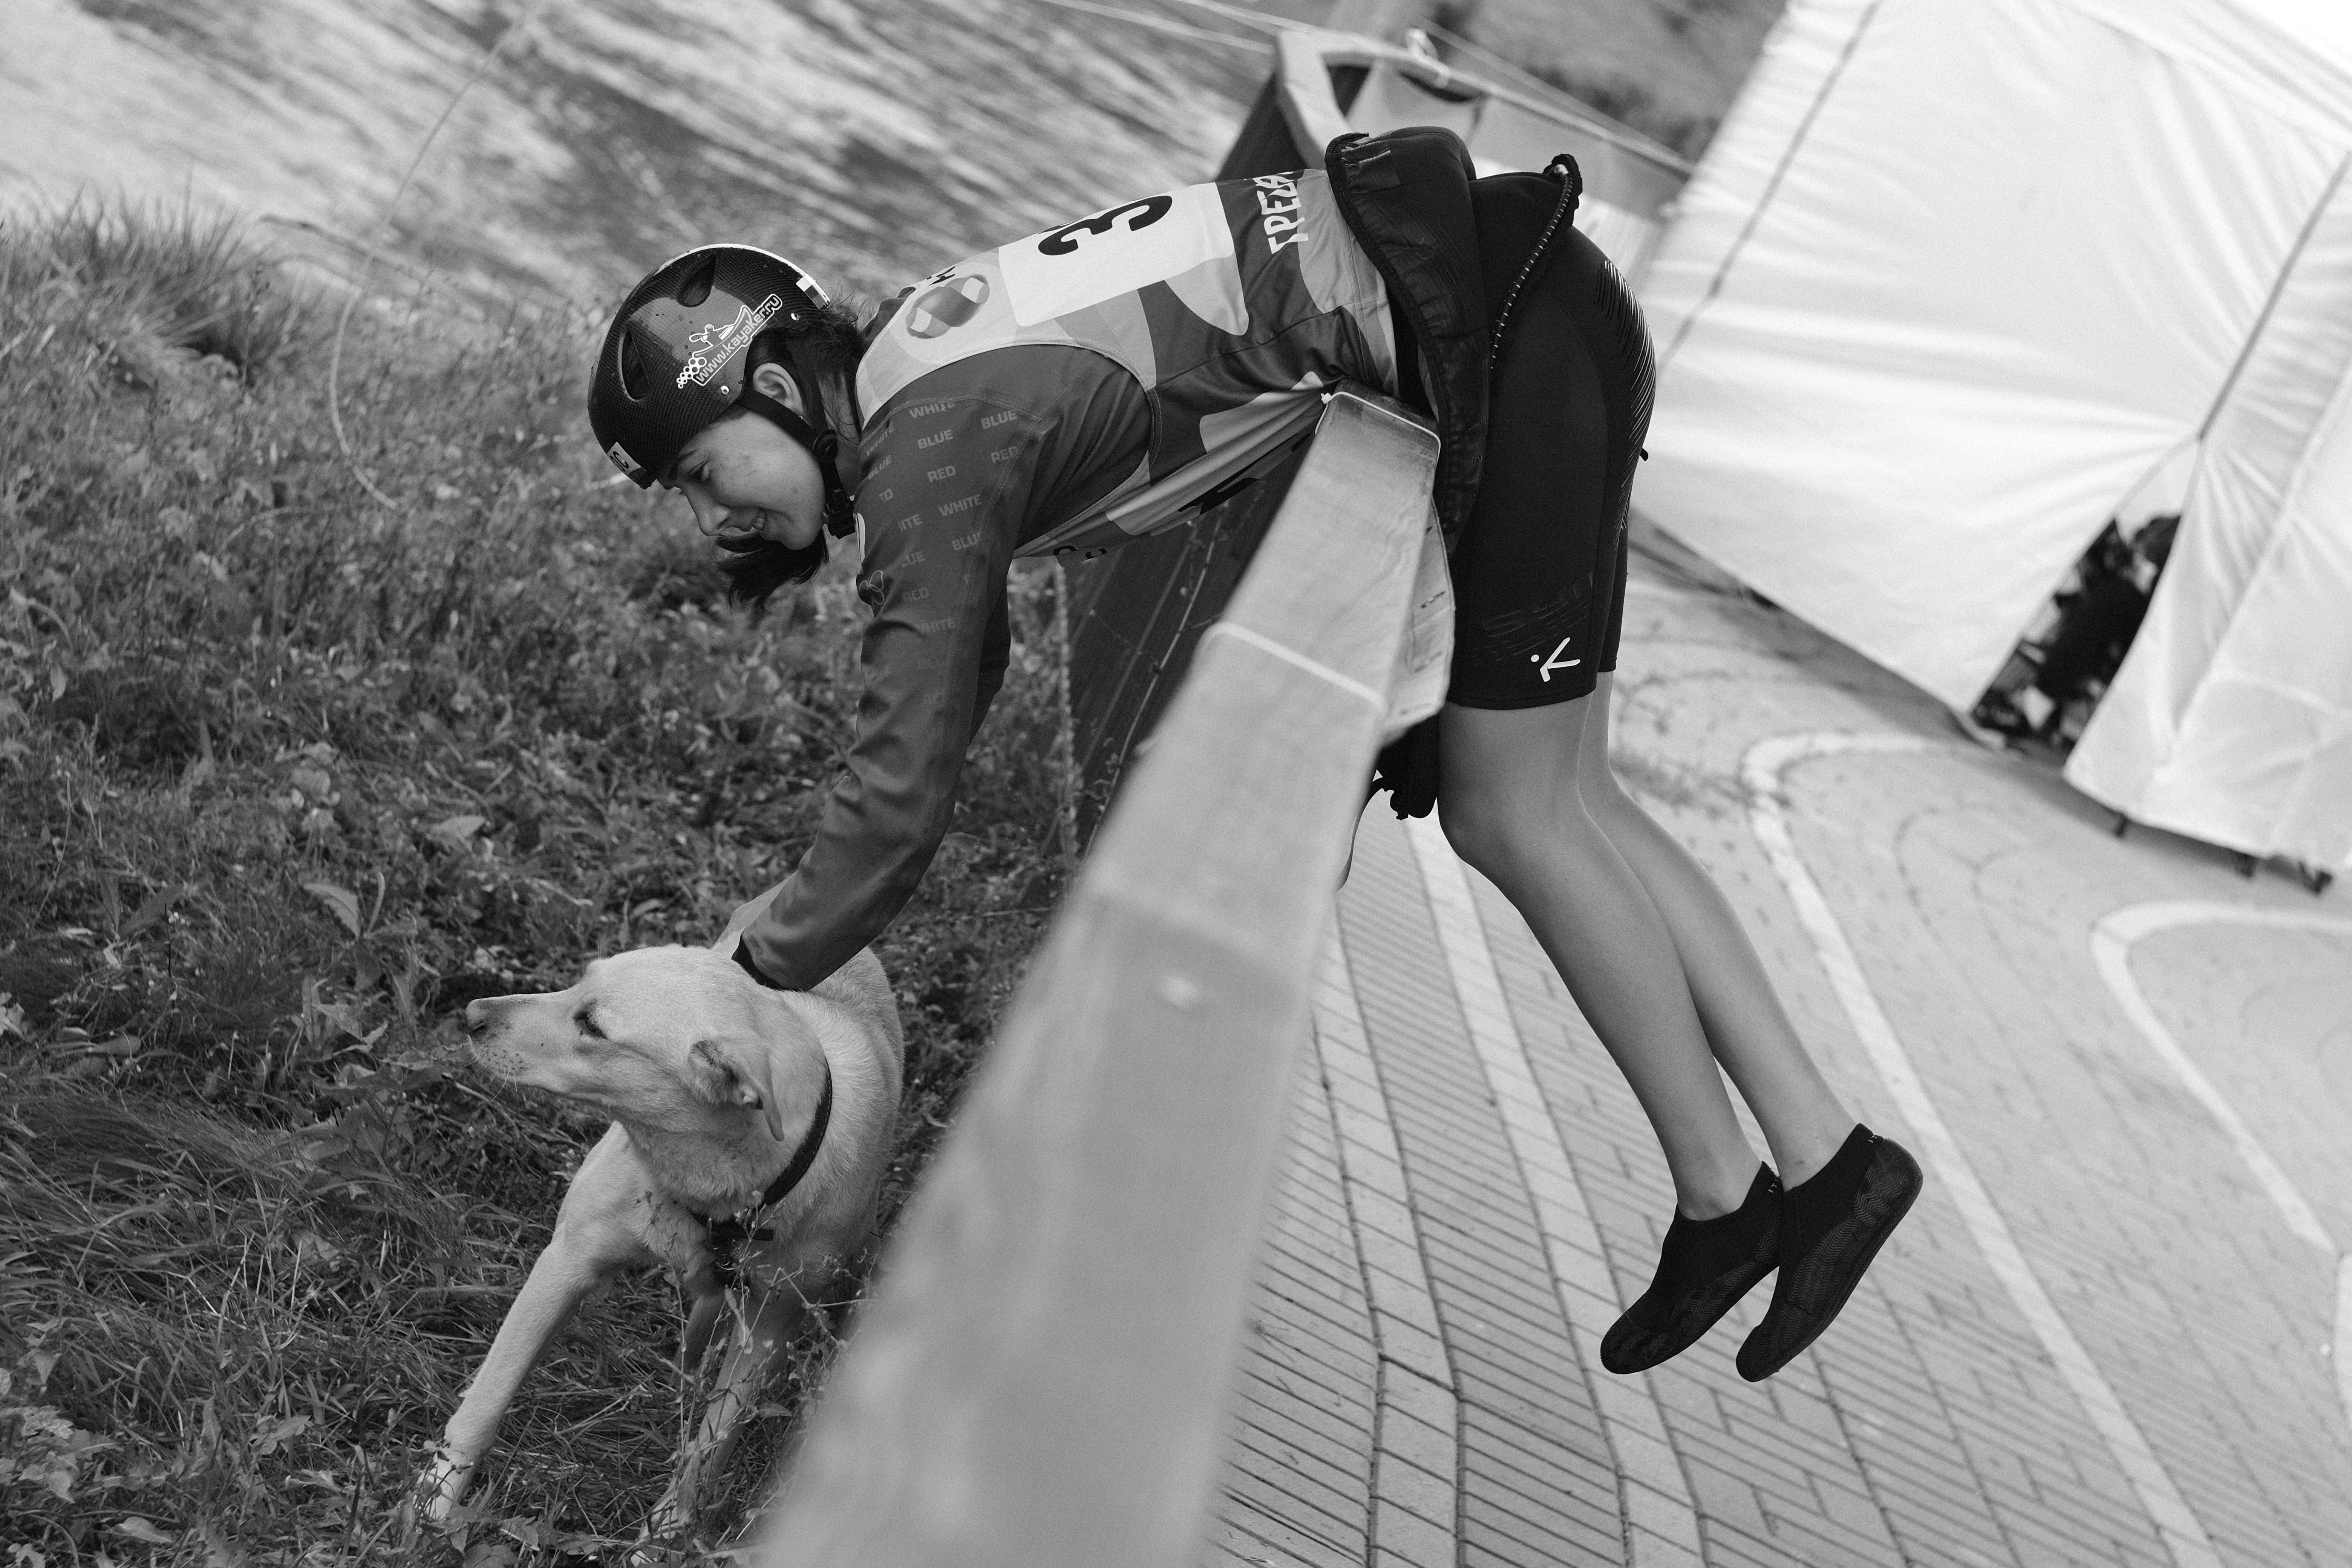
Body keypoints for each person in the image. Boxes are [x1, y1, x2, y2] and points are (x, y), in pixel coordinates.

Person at [585, 126, 1920, 1381]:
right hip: (1539, 307)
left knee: (1517, 814)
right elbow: (952, 678)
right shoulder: (921, 369)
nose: (712, 518)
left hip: (1514, 340)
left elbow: (900, 790)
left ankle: (1730, 1197)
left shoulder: (927, 452)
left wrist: (744, 976)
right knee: (1573, 798)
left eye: (702, 472)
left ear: (774, 388)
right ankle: (1824, 1163)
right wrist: (815, 909)